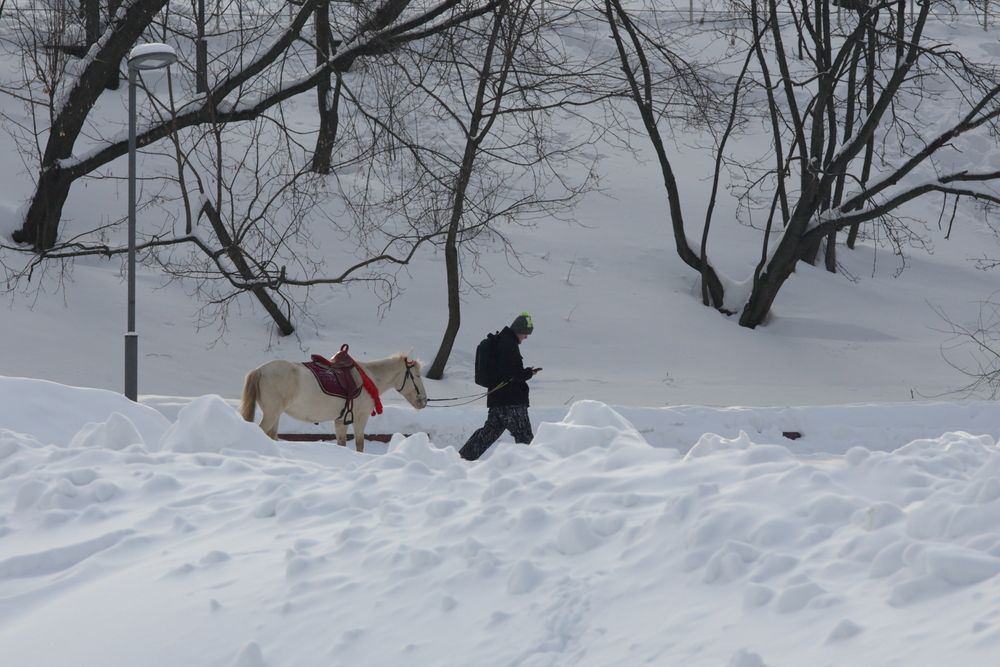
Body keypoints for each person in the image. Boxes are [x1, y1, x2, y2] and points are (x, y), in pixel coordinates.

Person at [459, 312, 540, 461]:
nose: (526, 337)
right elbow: (511, 373)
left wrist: (525, 372)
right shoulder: (509, 344)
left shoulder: (502, 341)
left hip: (498, 401)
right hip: (511, 402)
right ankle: (531, 467)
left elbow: (504, 371)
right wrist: (527, 373)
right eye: (526, 333)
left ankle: (462, 459)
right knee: (524, 436)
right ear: (519, 330)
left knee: (488, 433)